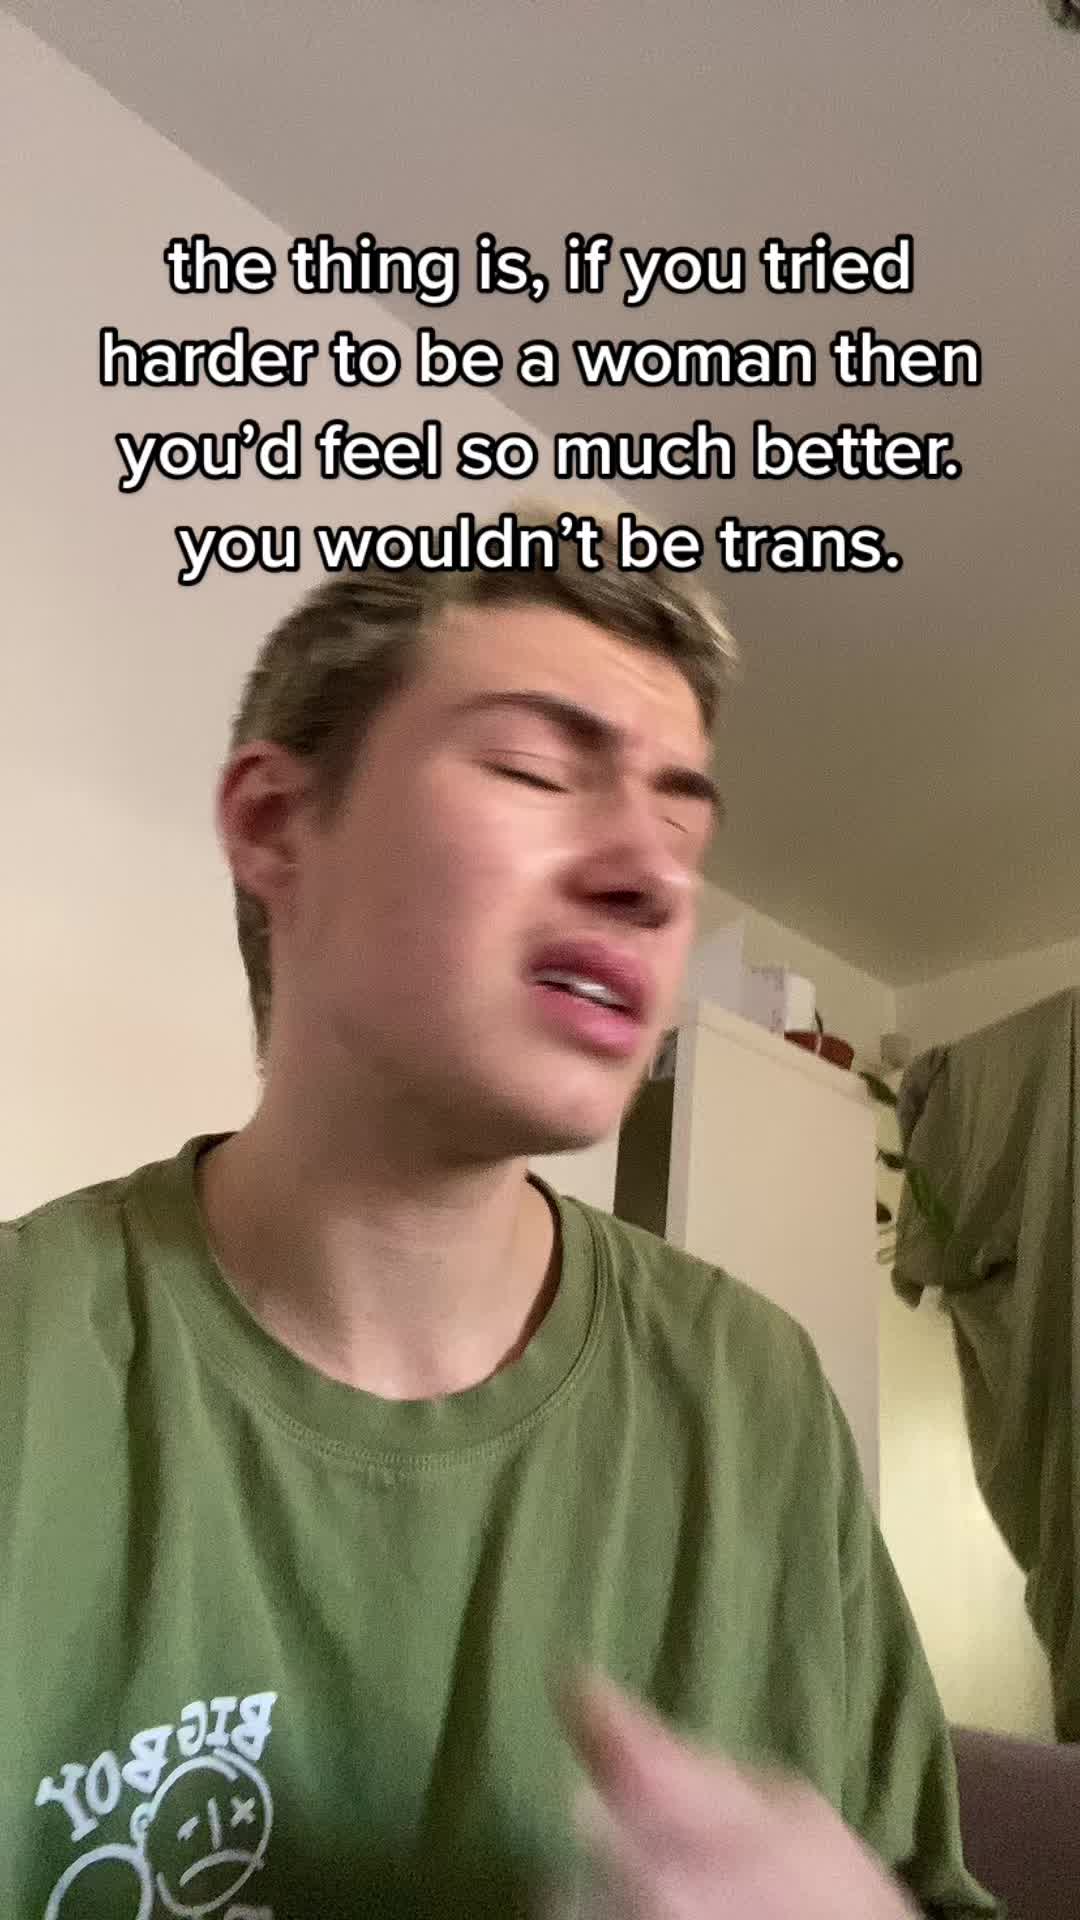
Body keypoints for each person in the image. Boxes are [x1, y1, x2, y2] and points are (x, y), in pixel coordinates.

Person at [0, 509, 998, 1920]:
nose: (656, 877)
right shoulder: (29, 1359)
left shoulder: (757, 1390)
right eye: (535, 769)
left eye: (682, 820)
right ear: (277, 826)